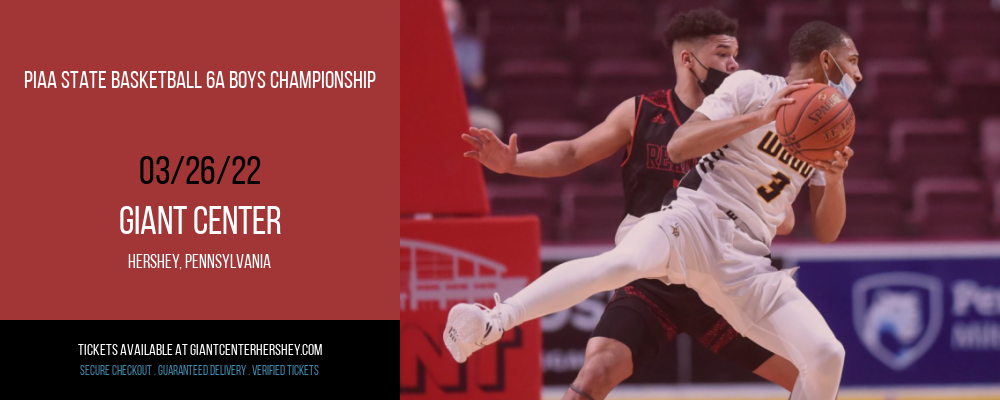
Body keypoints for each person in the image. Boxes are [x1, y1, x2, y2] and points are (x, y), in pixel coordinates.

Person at [446, 20, 862, 400]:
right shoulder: (753, 87)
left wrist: (837, 178)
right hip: (695, 219)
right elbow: (680, 145)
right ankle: (491, 322)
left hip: (746, 258)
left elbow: (826, 231)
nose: (858, 75)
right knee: (619, 264)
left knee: (827, 355)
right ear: (826, 60)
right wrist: (760, 117)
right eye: (852, 61)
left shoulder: (830, 132)